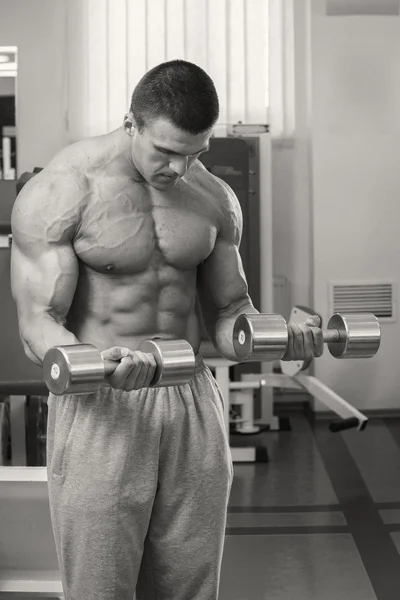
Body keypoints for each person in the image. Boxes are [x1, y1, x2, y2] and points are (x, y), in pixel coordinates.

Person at [10, 60, 323, 600]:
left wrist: (275, 335)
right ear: (131, 122)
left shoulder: (214, 198)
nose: (180, 168)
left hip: (190, 401)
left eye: (195, 152)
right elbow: (38, 323)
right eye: (167, 151)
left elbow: (229, 312)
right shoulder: (62, 191)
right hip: (101, 405)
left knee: (190, 587)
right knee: (99, 589)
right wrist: (98, 365)